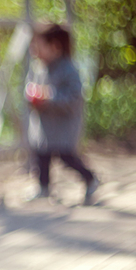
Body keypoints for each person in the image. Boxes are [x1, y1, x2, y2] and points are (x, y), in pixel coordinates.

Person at [25, 24, 99, 205]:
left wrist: (49, 97)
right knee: (41, 154)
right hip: (45, 125)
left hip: (64, 126)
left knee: (66, 157)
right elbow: (31, 88)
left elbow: (75, 97)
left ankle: (90, 178)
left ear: (55, 47)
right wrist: (32, 96)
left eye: (39, 45)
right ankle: (43, 187)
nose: (34, 50)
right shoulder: (39, 68)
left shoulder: (69, 69)